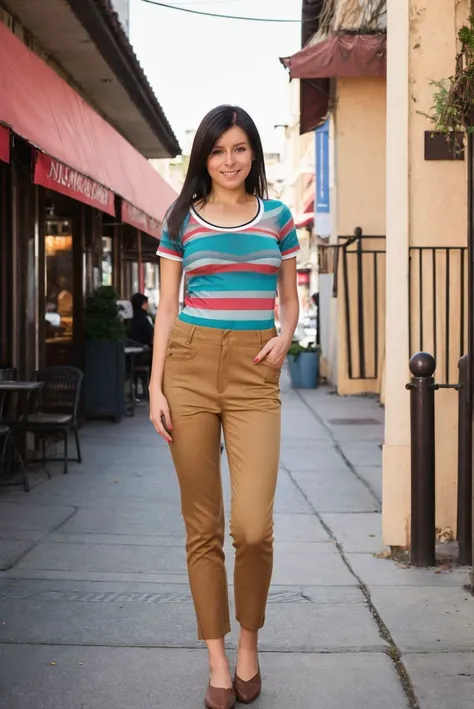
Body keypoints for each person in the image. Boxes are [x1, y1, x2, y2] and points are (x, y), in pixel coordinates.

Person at [149, 105, 299, 709]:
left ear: (253, 155)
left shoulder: (279, 219)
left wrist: (284, 338)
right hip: (187, 364)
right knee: (203, 527)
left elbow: (288, 301)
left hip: (253, 373)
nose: (229, 161)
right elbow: (165, 307)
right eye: (218, 150)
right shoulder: (181, 218)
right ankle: (217, 658)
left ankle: (249, 645)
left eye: (239, 149)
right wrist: (156, 388)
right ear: (202, 158)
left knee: (253, 528)